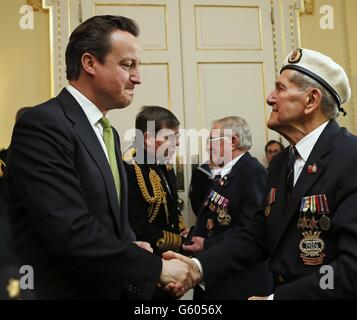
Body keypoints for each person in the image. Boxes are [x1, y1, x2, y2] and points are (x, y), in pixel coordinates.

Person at [5, 15, 191, 299]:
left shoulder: (109, 133)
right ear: (90, 63)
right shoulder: (42, 124)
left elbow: (110, 220)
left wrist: (131, 245)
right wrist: (156, 269)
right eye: (128, 65)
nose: (138, 77)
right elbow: (69, 230)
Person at [164, 48, 357, 299]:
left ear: (311, 100)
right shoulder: (281, 164)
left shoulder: (350, 158)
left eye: (280, 88)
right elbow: (258, 235)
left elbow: (351, 269)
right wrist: (198, 267)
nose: (269, 98)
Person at [184, 116, 272, 299]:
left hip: (238, 281)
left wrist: (207, 244)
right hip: (219, 272)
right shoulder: (229, 172)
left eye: (211, 140)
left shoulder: (251, 172)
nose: (208, 146)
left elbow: (252, 230)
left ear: (232, 142)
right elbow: (217, 218)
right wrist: (194, 235)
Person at [123, 106, 187, 255]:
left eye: (177, 137)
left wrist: (183, 230)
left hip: (172, 251)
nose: (177, 143)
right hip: (150, 255)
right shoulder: (131, 169)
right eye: (170, 137)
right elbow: (137, 227)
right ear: (148, 139)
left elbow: (172, 207)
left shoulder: (164, 163)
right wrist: (181, 242)